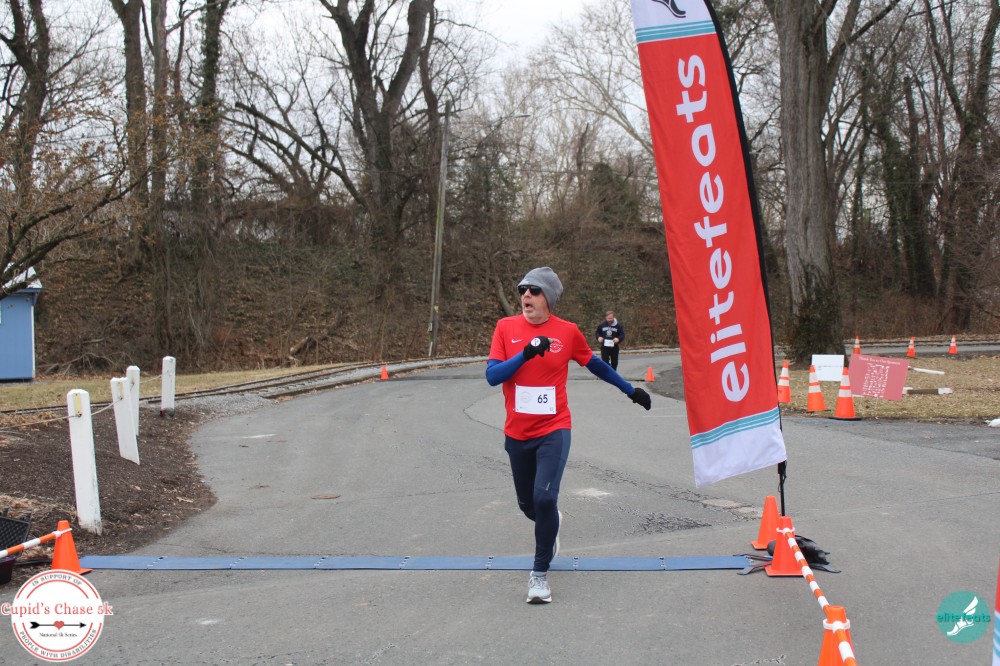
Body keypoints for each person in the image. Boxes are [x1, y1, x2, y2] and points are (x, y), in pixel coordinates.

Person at [486, 267, 651, 604]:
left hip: (554, 428)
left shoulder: (567, 331)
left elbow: (596, 364)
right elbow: (493, 376)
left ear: (548, 297)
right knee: (529, 505)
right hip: (517, 433)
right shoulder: (505, 328)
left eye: (534, 290)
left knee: (544, 498)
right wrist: (526, 353)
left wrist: (629, 390)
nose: (526, 295)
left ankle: (539, 576)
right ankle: (552, 523)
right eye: (522, 290)